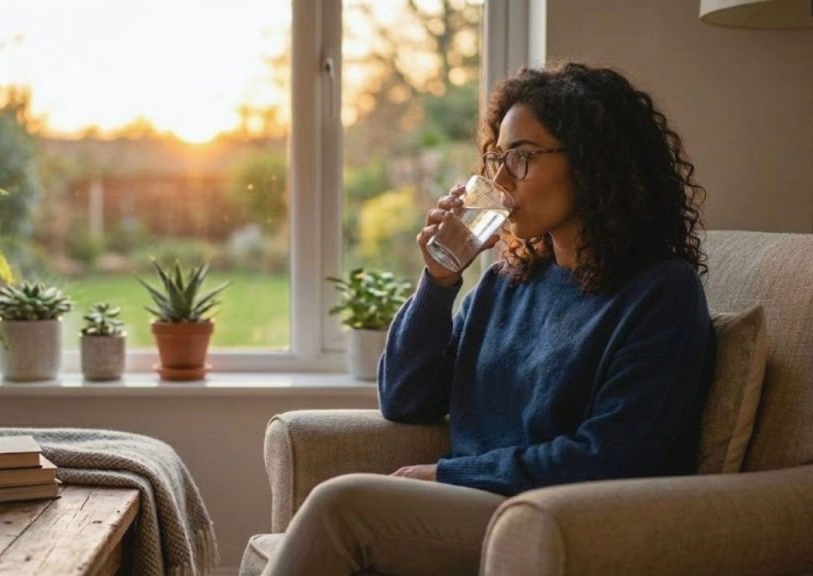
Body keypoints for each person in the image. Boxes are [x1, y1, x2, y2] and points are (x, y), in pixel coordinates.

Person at [261, 62, 715, 576]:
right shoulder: (507, 283)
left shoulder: (660, 293)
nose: (499, 179)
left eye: (521, 158)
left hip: (557, 519)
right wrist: (439, 281)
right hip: (482, 507)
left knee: (342, 507)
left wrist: (450, 475)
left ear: (593, 164)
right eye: (497, 157)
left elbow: (611, 455)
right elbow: (406, 399)